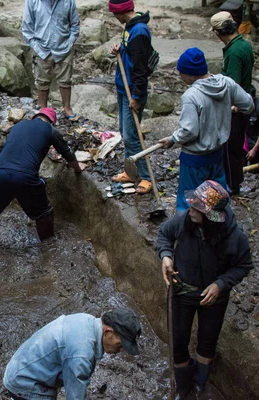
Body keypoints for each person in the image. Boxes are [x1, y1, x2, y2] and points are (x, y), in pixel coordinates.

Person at [157, 180, 253, 399]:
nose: (190, 209)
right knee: (178, 340)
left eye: (196, 208)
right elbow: (164, 234)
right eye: (192, 205)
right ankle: (183, 386)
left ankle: (200, 383)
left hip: (214, 299)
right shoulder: (183, 221)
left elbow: (244, 265)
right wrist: (166, 256)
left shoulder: (235, 238)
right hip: (182, 291)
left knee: (207, 341)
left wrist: (221, 284)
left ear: (211, 217)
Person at [158, 48, 254, 212]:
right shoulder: (227, 83)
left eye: (181, 73)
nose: (180, 76)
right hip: (217, 153)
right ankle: (217, 231)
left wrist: (173, 139)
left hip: (194, 158)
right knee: (216, 198)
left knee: (189, 201)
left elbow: (189, 131)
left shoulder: (191, 95)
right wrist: (232, 107)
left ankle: (189, 234)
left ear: (192, 74)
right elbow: (249, 104)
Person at [0, 108, 86, 241]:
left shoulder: (18, 126)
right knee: (44, 213)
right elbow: (68, 154)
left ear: (35, 117)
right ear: (51, 122)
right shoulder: (50, 130)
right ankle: (48, 248)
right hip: (25, 176)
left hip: (0, 173)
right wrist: (78, 169)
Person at [3, 308, 142, 400]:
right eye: (122, 343)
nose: (122, 349)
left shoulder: (87, 320)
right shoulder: (82, 354)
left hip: (20, 367)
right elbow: (75, 396)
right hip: (25, 383)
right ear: (108, 332)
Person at [108, 0, 154, 194]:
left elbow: (141, 69)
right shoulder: (130, 27)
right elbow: (132, 53)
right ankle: (130, 171)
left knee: (131, 135)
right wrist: (121, 49)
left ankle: (145, 176)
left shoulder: (139, 32)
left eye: (114, 14)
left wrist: (136, 96)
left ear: (121, 12)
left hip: (132, 91)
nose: (115, 18)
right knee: (124, 131)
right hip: (122, 86)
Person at [211, 11, 256, 194]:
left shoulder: (235, 52)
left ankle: (231, 184)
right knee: (236, 146)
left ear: (218, 32)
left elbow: (233, 83)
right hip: (245, 99)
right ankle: (233, 180)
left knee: (230, 148)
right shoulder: (243, 44)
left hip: (237, 106)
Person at [21, 0, 80, 120]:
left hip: (63, 47)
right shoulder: (32, 2)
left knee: (65, 80)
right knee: (42, 81)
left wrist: (69, 44)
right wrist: (36, 46)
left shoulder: (68, 2)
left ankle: (67, 108)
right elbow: (27, 28)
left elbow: (75, 25)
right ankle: (43, 109)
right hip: (41, 48)